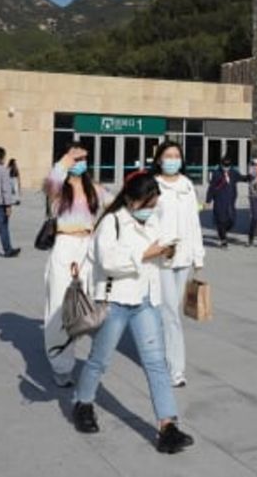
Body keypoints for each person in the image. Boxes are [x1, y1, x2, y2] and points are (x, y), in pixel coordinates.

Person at [71, 172, 195, 454]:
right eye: (146, 203)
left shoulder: (153, 221)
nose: (151, 209)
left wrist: (166, 253)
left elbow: (154, 258)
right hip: (115, 301)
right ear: (130, 199)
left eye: (154, 203)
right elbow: (110, 261)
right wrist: (147, 253)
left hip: (146, 301)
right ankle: (83, 402)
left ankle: (168, 426)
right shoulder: (111, 223)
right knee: (99, 360)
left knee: (155, 363)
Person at [43, 142, 108, 387]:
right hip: (65, 246)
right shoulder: (58, 189)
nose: (80, 162)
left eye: (83, 158)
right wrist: (66, 160)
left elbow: (119, 204)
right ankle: (61, 365)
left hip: (89, 248)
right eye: (76, 158)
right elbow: (50, 182)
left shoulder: (95, 190)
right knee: (60, 307)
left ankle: (95, 360)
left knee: (93, 308)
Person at [151, 142, 204, 388]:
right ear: (159, 159)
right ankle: (176, 369)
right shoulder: (153, 185)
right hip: (161, 257)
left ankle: (166, 358)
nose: (172, 159)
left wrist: (198, 256)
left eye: (176, 156)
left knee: (171, 312)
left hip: (183, 257)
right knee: (169, 311)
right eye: (168, 155)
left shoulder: (186, 186)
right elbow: (147, 222)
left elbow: (194, 222)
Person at [205, 156, 249, 248]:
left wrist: (249, 177)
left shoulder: (233, 172)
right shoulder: (216, 173)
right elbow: (212, 188)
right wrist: (208, 200)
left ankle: (223, 232)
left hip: (230, 201)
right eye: (225, 165)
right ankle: (223, 240)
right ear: (221, 164)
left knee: (231, 220)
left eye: (228, 165)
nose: (226, 167)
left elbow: (241, 178)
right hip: (219, 200)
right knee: (221, 221)